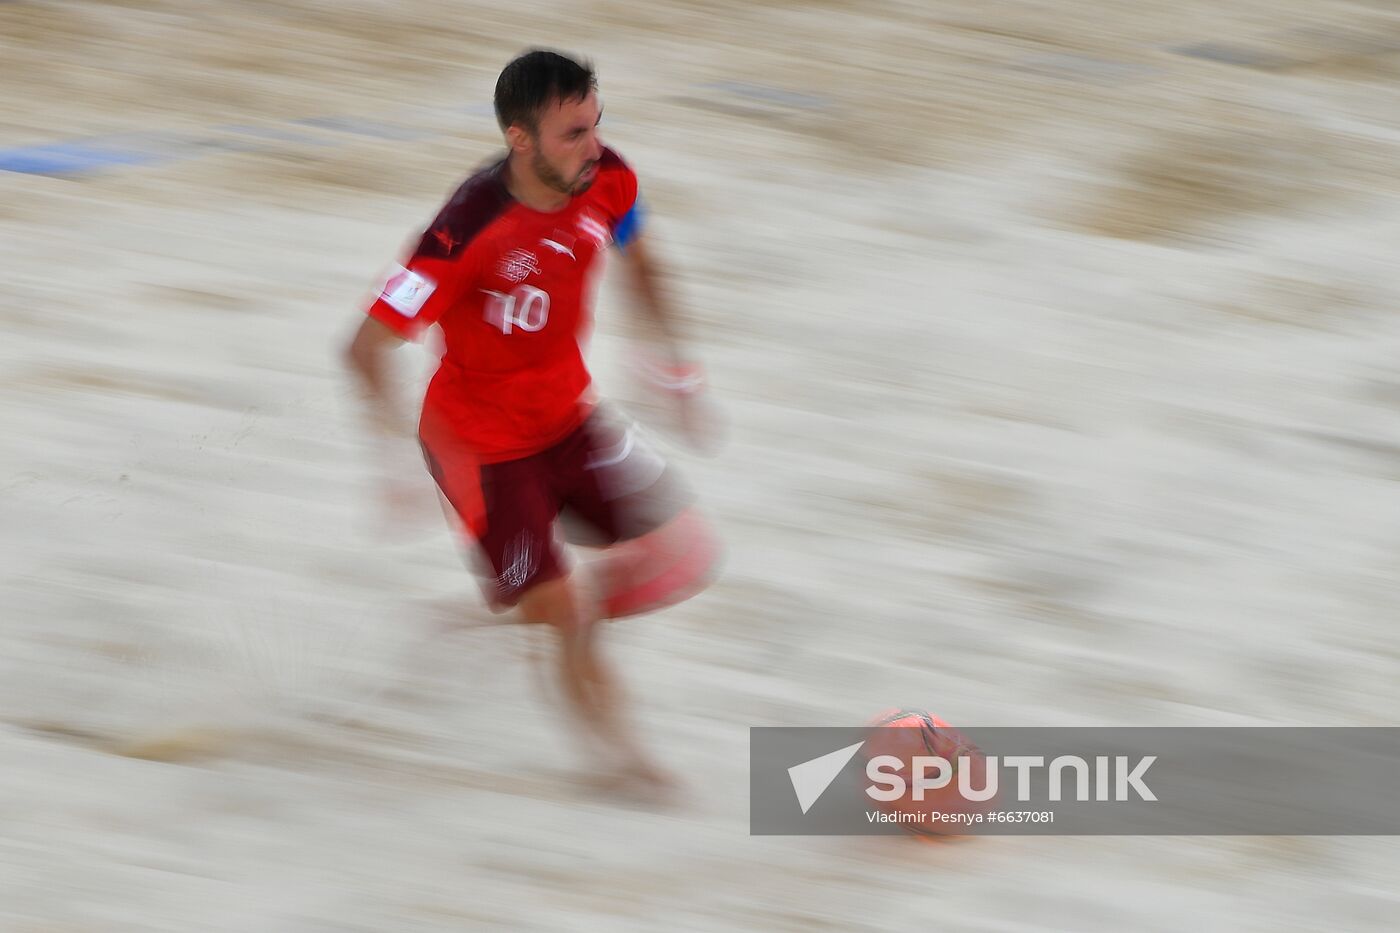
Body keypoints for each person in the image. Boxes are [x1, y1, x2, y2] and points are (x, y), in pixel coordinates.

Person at [345, 49, 719, 793]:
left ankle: (521, 606)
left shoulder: (608, 177)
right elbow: (363, 349)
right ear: (521, 139)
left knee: (685, 559)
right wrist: (392, 466)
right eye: (573, 133)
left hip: (567, 417)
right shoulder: (462, 230)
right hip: (477, 449)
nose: (594, 145)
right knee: (572, 611)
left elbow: (642, 259)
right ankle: (623, 765)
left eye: (596, 124)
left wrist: (671, 364)